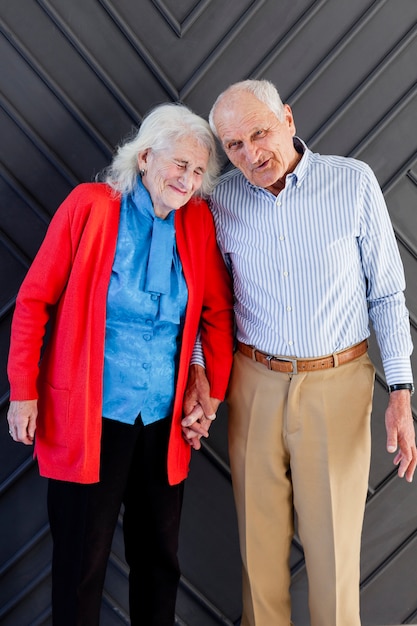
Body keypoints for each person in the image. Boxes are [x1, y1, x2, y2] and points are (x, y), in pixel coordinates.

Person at [182, 79, 417, 626]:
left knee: (334, 557)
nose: (251, 154)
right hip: (252, 382)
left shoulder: (352, 183)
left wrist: (401, 394)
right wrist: (200, 372)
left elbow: (386, 293)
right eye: (234, 146)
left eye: (259, 133)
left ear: (288, 118)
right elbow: (202, 301)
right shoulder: (219, 200)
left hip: (337, 385)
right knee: (257, 557)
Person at [6, 102, 234, 626]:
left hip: (163, 421)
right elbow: (34, 300)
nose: (189, 180)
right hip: (88, 417)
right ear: (147, 157)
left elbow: (218, 314)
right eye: (180, 165)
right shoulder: (91, 206)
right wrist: (23, 390)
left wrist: (211, 393)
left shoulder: (197, 220)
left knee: (159, 564)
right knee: (80, 566)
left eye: (198, 172)